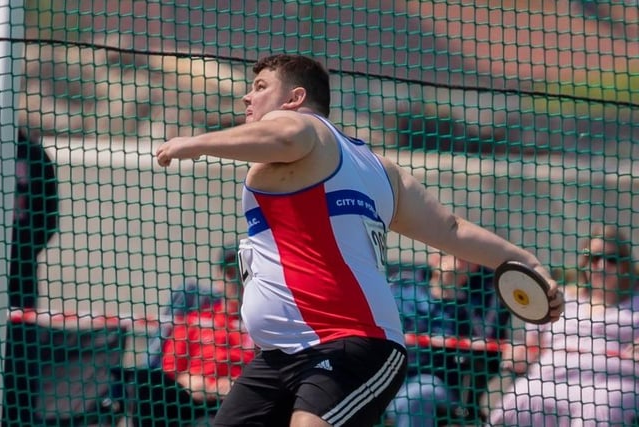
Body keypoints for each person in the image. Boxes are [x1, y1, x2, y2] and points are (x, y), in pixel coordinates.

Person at [155, 53, 563, 427]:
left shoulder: (302, 126)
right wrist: (528, 262)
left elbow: (283, 138)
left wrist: (191, 144)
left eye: (261, 86)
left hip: (350, 347)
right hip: (280, 356)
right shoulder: (380, 169)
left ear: (295, 97)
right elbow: (452, 231)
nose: (248, 95)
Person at [489, 224, 639, 426]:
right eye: (594, 258)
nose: (602, 266)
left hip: (612, 385)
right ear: (585, 262)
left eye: (611, 260)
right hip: (550, 380)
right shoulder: (560, 297)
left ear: (624, 265)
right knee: (522, 395)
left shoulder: (635, 303)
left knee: (601, 407)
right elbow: (531, 347)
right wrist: (519, 355)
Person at [129, 244, 254, 427]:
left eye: (242, 274)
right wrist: (199, 384)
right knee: (150, 384)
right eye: (230, 273)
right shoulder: (195, 321)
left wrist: (233, 387)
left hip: (238, 404)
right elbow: (172, 371)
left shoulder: (260, 329)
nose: (236, 281)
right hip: (189, 403)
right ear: (220, 279)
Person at [386, 253, 510, 427]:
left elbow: (484, 342)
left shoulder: (480, 299)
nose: (455, 261)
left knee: (418, 395)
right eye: (446, 253)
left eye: (462, 256)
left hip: (440, 385)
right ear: (433, 257)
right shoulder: (402, 289)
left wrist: (451, 289)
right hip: (390, 378)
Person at [9, 128, 59, 308]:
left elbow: (48, 214)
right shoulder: (35, 153)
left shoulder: (34, 154)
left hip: (23, 268)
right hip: (24, 261)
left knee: (22, 326)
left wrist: (27, 249)